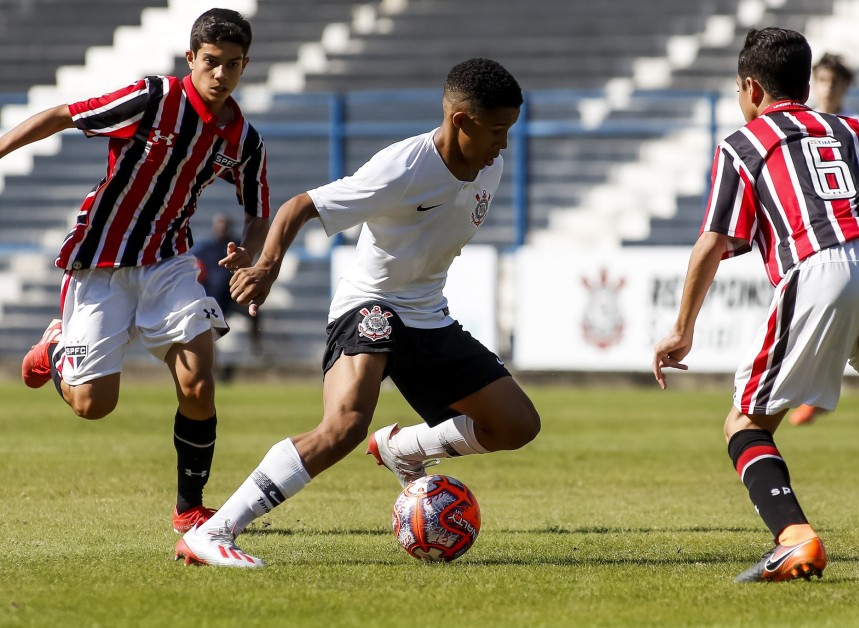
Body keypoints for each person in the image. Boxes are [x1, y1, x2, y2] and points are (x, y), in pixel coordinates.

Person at [173, 57, 540, 568]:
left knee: (518, 425)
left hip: (428, 315)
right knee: (343, 426)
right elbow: (299, 205)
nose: (504, 145)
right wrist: (267, 268)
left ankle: (404, 448)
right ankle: (213, 531)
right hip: (369, 305)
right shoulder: (403, 168)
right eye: (497, 131)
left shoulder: (489, 167)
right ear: (461, 121)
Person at [652, 27, 859, 582]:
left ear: (751, 87)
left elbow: (713, 240)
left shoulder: (744, 144)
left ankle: (795, 540)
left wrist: (681, 329)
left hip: (820, 266)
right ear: (806, 83)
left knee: (744, 421)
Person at [3, 8, 270, 533]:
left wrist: (252, 254)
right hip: (101, 259)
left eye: (234, 65)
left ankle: (189, 508)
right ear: (191, 58)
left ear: (244, 65)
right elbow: (63, 114)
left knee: (198, 383)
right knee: (92, 406)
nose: (222, 75)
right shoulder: (155, 97)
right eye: (212, 62)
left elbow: (259, 208)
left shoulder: (242, 138)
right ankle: (57, 346)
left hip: (169, 261)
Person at [789, 52, 857, 426]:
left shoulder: (858, 128)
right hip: (814, 237)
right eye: (823, 80)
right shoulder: (797, 126)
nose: (828, 88)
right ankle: (816, 393)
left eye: (835, 81)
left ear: (846, 87)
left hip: (853, 232)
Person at [192, 212, 264, 370]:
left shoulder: (238, 246)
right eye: (219, 224)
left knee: (254, 313)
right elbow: (190, 261)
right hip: (214, 299)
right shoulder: (205, 247)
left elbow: (256, 251)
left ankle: (256, 348)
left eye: (225, 225)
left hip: (234, 296)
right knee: (210, 332)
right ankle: (213, 364)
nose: (222, 228)